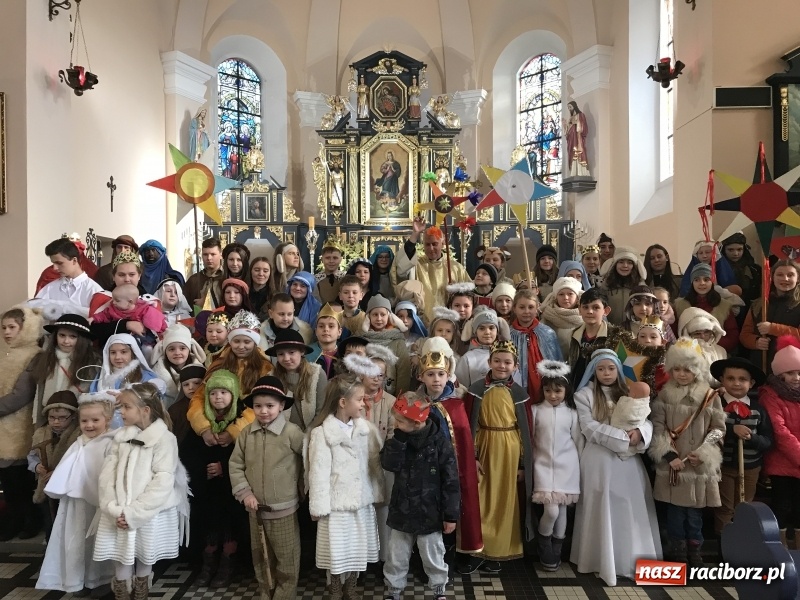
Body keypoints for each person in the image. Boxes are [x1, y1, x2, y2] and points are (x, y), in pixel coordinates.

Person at [571, 349, 661, 586]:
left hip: (629, 462)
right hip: (599, 460)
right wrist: (622, 439)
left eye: (611, 368)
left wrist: (639, 434)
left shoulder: (629, 391)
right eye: (601, 369)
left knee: (629, 507)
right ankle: (599, 561)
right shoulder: (584, 395)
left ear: (618, 369)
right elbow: (588, 426)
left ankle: (630, 560)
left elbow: (646, 419)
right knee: (602, 508)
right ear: (594, 371)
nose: (606, 373)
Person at [92, 382, 189, 600]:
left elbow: (163, 480)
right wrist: (114, 508)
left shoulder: (165, 439)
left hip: (148, 512)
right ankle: (122, 592)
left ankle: (141, 591)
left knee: (146, 553)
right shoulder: (121, 437)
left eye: (126, 407)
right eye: (121, 407)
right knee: (121, 554)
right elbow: (107, 475)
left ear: (145, 410)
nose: (121, 412)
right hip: (118, 509)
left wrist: (134, 513)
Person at [307, 373, 385, 600]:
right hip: (336, 507)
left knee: (356, 550)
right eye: (359, 399)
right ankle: (335, 589)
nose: (363, 403)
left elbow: (373, 464)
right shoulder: (322, 433)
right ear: (343, 402)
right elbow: (318, 472)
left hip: (361, 503)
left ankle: (351, 588)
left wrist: (377, 491)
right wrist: (318, 506)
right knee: (336, 552)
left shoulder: (365, 430)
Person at [649, 339, 725, 566]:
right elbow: (658, 428)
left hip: (697, 465)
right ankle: (678, 550)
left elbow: (718, 429)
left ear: (697, 370)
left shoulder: (710, 396)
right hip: (675, 465)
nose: (682, 374)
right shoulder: (664, 396)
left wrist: (704, 453)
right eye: (677, 369)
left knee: (694, 515)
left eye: (688, 369)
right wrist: (669, 456)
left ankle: (695, 550)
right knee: (675, 514)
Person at [229, 376, 304, 600]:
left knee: (287, 559)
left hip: (284, 510)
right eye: (258, 406)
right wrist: (245, 493)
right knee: (261, 559)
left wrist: (302, 488)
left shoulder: (291, 432)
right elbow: (235, 465)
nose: (263, 411)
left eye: (270, 406)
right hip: (255, 510)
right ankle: (266, 594)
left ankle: (283, 596)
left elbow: (310, 458)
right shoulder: (246, 434)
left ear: (281, 406)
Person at [381, 393, 459, 600]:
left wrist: (450, 516)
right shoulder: (398, 438)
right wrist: (398, 442)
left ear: (416, 422)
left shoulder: (440, 443)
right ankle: (394, 591)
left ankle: (439, 590)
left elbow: (451, 481)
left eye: (399, 421)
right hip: (401, 511)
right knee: (396, 556)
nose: (395, 425)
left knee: (433, 555)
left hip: (430, 513)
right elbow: (389, 464)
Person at [35, 394, 115, 594]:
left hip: (101, 504)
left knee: (100, 541)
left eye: (95, 420)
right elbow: (68, 467)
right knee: (76, 541)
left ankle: (103, 580)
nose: (89, 425)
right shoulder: (79, 443)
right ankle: (78, 578)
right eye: (84, 421)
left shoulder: (112, 442)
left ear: (107, 420)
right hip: (76, 504)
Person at [464, 340, 533, 571]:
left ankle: (500, 551)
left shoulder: (519, 393)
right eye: (497, 361)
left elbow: (525, 431)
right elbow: (470, 425)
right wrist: (472, 457)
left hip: (509, 451)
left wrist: (522, 464)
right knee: (481, 499)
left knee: (505, 499)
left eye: (507, 362)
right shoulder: (476, 390)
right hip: (484, 446)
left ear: (515, 366)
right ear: (489, 362)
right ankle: (478, 550)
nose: (502, 366)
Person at [416, 338, 483, 573]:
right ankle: (426, 563)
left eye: (440, 374)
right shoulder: (415, 403)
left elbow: (464, 438)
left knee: (450, 515)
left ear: (448, 376)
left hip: (450, 472)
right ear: (421, 377)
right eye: (431, 374)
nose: (436, 379)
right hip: (424, 472)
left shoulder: (457, 404)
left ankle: (447, 563)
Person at [181, 369, 245, 588]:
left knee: (229, 530)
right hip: (207, 490)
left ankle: (227, 566)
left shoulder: (240, 423)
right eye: (213, 393)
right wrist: (203, 470)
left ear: (234, 395)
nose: (218, 397)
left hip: (231, 489)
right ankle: (208, 566)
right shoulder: (201, 425)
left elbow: (247, 455)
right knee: (209, 530)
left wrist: (223, 468)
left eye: (224, 393)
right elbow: (187, 456)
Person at [709, 357, 772, 536]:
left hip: (751, 467)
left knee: (744, 506)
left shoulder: (758, 409)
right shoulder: (716, 405)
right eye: (731, 378)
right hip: (724, 466)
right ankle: (725, 543)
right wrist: (731, 430)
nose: (736, 383)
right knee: (724, 507)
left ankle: (743, 541)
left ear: (751, 383)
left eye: (742, 379)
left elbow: (768, 440)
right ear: (722, 380)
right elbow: (707, 431)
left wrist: (752, 438)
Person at [531, 361, 582, 571]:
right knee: (551, 511)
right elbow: (531, 439)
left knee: (561, 511)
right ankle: (544, 544)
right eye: (548, 391)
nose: (553, 395)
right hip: (542, 467)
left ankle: (556, 549)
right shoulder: (535, 410)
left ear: (566, 390)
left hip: (567, 468)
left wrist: (581, 467)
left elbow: (578, 441)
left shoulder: (572, 413)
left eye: (558, 391)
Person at [188, 311, 268, 442]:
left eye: (247, 341)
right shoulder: (220, 362)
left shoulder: (264, 368)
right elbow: (199, 397)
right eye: (236, 341)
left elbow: (263, 403)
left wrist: (234, 431)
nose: (241, 346)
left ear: (255, 342)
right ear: (230, 341)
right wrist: (204, 428)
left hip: (248, 429)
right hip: (213, 422)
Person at [0, 306, 44, 540]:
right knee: (9, 483)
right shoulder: (6, 354)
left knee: (21, 481)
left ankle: (29, 521)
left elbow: (21, 394)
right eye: (4, 328)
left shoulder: (34, 355)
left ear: (25, 328)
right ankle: (14, 520)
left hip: (20, 425)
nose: (7, 332)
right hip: (3, 427)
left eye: (12, 327)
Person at [758, 336, 800, 549]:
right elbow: (780, 431)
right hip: (781, 464)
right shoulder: (770, 396)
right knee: (782, 506)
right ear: (780, 374)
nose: (796, 378)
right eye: (791, 373)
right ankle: (780, 549)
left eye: (799, 372)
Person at [393, 217, 472, 324]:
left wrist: (456, 292)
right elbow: (401, 269)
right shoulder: (416, 265)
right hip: (422, 321)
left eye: (434, 244)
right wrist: (415, 233)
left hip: (449, 324)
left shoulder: (456, 268)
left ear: (442, 243)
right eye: (427, 244)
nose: (431, 248)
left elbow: (469, 297)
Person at [28, 313, 98, 426]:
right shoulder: (46, 358)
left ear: (82, 339)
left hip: (77, 418)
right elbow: (39, 392)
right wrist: (37, 420)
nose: (66, 341)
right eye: (62, 335)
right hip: (50, 417)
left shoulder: (92, 362)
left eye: (72, 337)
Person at [28, 391, 81, 535]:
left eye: (62, 418)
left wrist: (58, 473)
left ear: (73, 416)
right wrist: (36, 466)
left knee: (66, 523)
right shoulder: (41, 433)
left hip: (68, 489)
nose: (56, 422)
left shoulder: (78, 435)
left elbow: (78, 461)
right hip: (45, 485)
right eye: (52, 418)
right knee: (49, 521)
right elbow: (32, 456)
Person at [90, 333, 162, 429]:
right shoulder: (101, 377)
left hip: (136, 428)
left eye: (123, 352)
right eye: (113, 352)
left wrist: (126, 395)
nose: (117, 357)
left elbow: (156, 390)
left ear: (133, 353)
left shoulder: (144, 376)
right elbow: (91, 398)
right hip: (104, 427)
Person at [740, 259, 800, 372]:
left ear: (798, 278)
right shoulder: (759, 304)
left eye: (790, 275)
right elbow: (745, 335)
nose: (785, 278)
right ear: (772, 277)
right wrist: (756, 342)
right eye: (780, 274)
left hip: (791, 370)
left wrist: (772, 328)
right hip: (760, 366)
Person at [567, 287, 633, 387]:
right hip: (577, 388)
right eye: (585, 307)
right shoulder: (574, 334)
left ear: (606, 311)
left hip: (604, 390)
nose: (590, 311)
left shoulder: (616, 335)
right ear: (579, 310)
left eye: (595, 307)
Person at [509, 289, 562, 409]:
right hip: (519, 385)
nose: (526, 311)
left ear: (537, 308)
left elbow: (557, 361)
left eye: (531, 307)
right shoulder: (508, 335)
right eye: (522, 307)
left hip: (545, 386)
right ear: (514, 308)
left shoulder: (548, 333)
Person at [268, 328, 327, 432]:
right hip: (281, 434)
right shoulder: (271, 378)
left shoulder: (317, 374)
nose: (286, 358)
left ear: (302, 352)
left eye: (291, 352)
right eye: (280, 354)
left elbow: (322, 411)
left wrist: (308, 434)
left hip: (313, 433)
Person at [31, 238, 103, 319]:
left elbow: (99, 317)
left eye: (59, 263)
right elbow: (34, 311)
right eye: (53, 263)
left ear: (74, 260)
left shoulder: (94, 290)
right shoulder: (49, 288)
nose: (55, 268)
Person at [675, 263, 739, 354]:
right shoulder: (680, 305)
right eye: (697, 280)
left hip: (716, 353)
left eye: (706, 279)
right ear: (692, 282)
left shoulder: (724, 306)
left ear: (712, 282)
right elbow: (675, 333)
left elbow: (733, 335)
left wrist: (712, 344)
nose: (702, 283)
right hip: (687, 354)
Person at [361, 294, 411, 396]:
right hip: (364, 395)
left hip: (390, 396)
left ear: (389, 316)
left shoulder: (397, 341)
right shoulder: (360, 339)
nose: (379, 318)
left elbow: (403, 372)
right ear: (369, 316)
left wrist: (399, 398)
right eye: (375, 314)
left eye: (383, 314)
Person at [89, 283, 167, 345]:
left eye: (117, 300)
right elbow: (103, 315)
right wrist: (93, 318)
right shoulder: (113, 309)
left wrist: (162, 332)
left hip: (143, 337)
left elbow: (158, 321)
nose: (113, 302)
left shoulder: (144, 309)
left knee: (147, 349)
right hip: (118, 338)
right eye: (113, 299)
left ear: (130, 302)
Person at [150, 323, 206, 408]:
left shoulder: (199, 370)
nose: (177, 353)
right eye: (171, 349)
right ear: (165, 351)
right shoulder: (156, 373)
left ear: (189, 349)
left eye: (182, 348)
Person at [455, 307, 511, 388]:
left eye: (491, 328)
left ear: (497, 331)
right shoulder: (467, 358)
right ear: (475, 331)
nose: (487, 332)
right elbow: (460, 387)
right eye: (481, 328)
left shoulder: (508, 355)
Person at [721, 232, 762, 327]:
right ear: (723, 250)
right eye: (730, 250)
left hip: (750, 312)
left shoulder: (755, 270)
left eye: (739, 249)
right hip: (726, 311)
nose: (735, 253)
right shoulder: (717, 269)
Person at [599, 246, 647, 325]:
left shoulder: (640, 287)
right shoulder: (606, 285)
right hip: (610, 328)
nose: (625, 265)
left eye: (629, 262)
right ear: (615, 264)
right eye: (621, 262)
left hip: (634, 328)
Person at [539, 276, 584, 358]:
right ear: (556, 297)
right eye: (561, 294)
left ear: (578, 297)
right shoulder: (547, 318)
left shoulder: (586, 317)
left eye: (570, 294)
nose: (566, 298)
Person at [168, 364, 206, 447]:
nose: (191, 387)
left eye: (196, 383)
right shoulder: (174, 410)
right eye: (186, 384)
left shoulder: (212, 406)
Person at [184, 238, 225, 310]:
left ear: (220, 254)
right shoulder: (193, 280)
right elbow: (184, 305)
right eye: (205, 254)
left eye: (213, 254)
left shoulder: (226, 278)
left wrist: (207, 303)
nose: (209, 258)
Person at [309, 303, 345, 379]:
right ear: (316, 331)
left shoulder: (344, 354)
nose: (326, 329)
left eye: (331, 326)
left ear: (339, 332)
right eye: (321, 326)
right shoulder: (308, 353)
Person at [315, 241, 345, 305]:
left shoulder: (345, 278)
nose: (331, 261)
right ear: (322, 259)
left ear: (340, 260)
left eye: (335, 258)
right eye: (327, 258)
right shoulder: (316, 279)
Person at [565, 100, 590, 177]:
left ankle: (581, 171)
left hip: (578, 138)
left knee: (578, 152)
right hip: (571, 139)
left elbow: (584, 128)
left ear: (574, 106)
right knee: (572, 153)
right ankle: (573, 171)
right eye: (568, 108)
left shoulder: (580, 115)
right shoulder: (570, 118)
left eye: (570, 107)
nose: (569, 109)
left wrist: (576, 123)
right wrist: (565, 125)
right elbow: (567, 132)